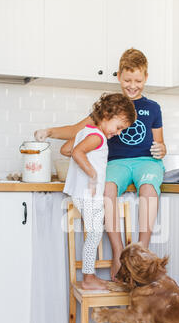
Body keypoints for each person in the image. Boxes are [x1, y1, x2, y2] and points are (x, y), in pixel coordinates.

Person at [35, 48, 166, 280]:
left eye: (138, 80)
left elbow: (161, 143)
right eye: (127, 80)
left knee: (148, 189)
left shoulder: (154, 108)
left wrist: (162, 149)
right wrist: (50, 131)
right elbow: (77, 131)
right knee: (107, 189)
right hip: (116, 162)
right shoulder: (109, 109)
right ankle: (118, 252)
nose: (132, 85)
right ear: (118, 76)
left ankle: (142, 252)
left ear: (146, 78)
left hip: (147, 162)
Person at [62, 93, 136, 290]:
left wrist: (83, 156)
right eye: (119, 127)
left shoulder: (85, 132)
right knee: (95, 234)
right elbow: (77, 152)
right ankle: (88, 277)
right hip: (89, 193)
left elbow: (66, 149)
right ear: (106, 114)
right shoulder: (97, 137)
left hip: (80, 192)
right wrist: (92, 173)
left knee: (95, 230)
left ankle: (89, 275)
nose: (119, 133)